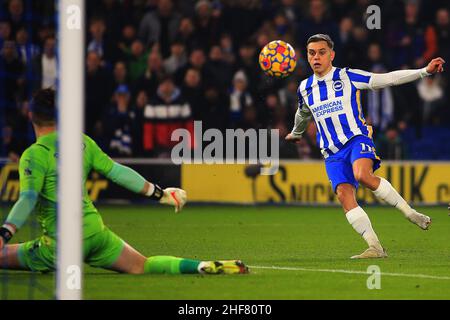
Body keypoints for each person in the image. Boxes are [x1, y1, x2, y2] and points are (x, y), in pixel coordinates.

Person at [0, 88, 248, 275]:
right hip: (95, 233)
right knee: (143, 265)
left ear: (30, 114)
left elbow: (29, 198)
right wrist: (160, 194)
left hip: (61, 246)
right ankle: (201, 266)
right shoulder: (82, 142)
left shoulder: (34, 154)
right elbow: (117, 171)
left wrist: (4, 234)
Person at [286, 34, 445, 259]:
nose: (316, 57)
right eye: (312, 53)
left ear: (331, 55)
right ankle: (375, 247)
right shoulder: (305, 87)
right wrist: (296, 132)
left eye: (322, 52)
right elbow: (302, 114)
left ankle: (410, 213)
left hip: (356, 139)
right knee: (344, 195)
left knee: (362, 175)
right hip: (331, 151)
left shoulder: (347, 76)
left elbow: (386, 79)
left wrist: (424, 71)